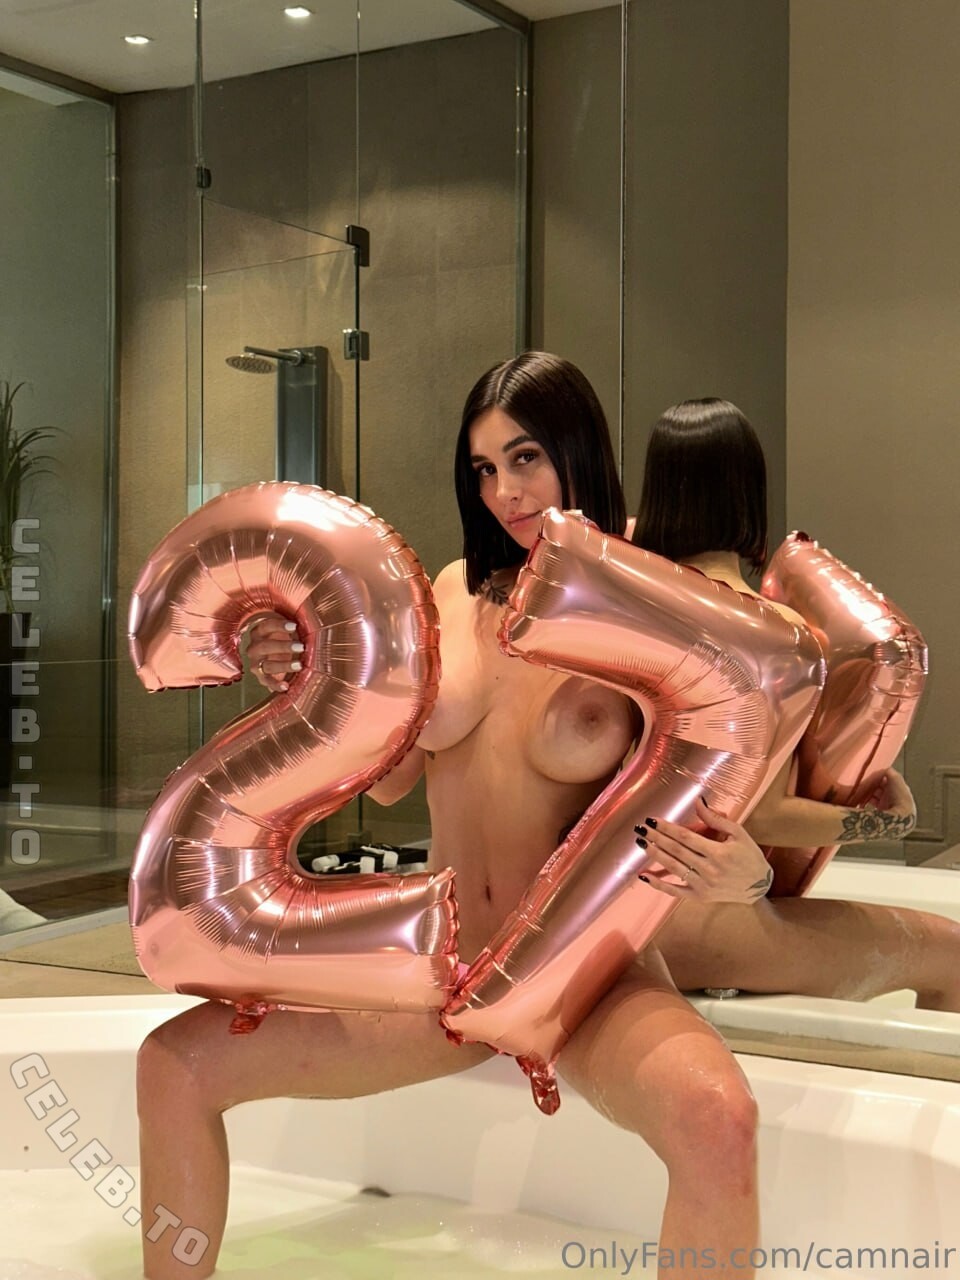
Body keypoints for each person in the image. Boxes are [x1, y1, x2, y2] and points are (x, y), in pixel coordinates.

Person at [137, 355, 777, 1280]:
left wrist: (751, 875)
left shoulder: (650, 594)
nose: (503, 492)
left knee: (721, 1119)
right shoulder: (452, 589)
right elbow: (390, 781)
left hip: (583, 977)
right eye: (482, 469)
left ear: (579, 450)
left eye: (526, 458)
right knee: (175, 1066)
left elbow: (732, 769)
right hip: (438, 967)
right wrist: (306, 676)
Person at [631, 397, 960, 1009]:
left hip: (620, 912)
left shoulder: (633, 607)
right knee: (953, 954)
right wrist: (891, 822)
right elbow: (765, 817)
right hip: (707, 922)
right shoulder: (772, 629)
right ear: (748, 492)